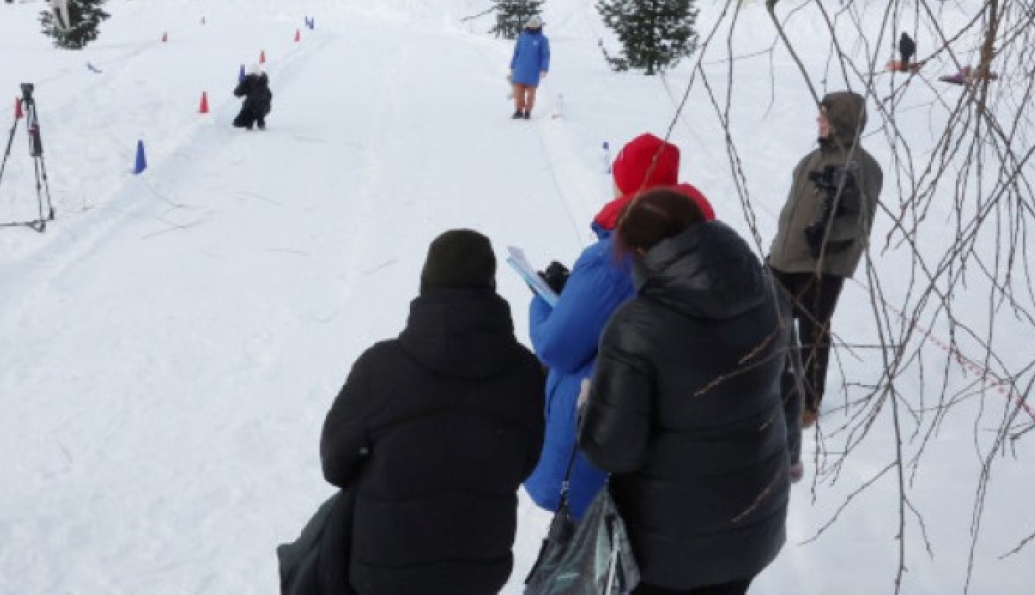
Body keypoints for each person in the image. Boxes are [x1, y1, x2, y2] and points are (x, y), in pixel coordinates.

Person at [579, 188, 803, 595]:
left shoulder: (637, 327)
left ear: (643, 250)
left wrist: (587, 408)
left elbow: (613, 450)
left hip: (670, 548)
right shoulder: (769, 291)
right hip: (753, 523)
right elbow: (789, 388)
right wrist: (791, 458)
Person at [315, 229, 545, 593]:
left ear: (425, 282)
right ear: (491, 284)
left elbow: (335, 464)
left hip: (384, 570)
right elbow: (527, 462)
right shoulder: (525, 371)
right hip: (477, 570)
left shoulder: (380, 367)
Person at [525, 133, 712, 520]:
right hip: (670, 439)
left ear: (628, 186)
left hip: (604, 429)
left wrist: (540, 302)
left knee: (586, 548)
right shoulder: (700, 244)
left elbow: (557, 347)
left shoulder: (614, 259)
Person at [767, 91, 883, 427]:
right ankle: (770, 384)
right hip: (784, 258)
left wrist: (828, 234)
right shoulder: (810, 161)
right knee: (770, 322)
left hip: (821, 265)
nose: (818, 122)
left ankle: (809, 401)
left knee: (812, 333)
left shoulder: (863, 168)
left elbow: (861, 222)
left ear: (841, 123)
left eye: (825, 117)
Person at [508, 15, 550, 119]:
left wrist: (544, 68)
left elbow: (545, 55)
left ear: (539, 26)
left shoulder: (543, 40)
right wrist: (513, 65)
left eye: (535, 25)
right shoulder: (522, 37)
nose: (533, 26)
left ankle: (527, 111)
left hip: (533, 71)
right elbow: (516, 52)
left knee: (531, 94)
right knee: (518, 92)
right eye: (531, 24)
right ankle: (518, 110)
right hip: (520, 69)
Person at [233, 66, 272, 130]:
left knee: (254, 107)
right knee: (238, 121)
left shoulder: (254, 82)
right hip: (262, 108)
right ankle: (255, 122)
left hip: (255, 108)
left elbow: (237, 93)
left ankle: (254, 122)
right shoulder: (261, 82)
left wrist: (241, 83)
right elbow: (270, 95)